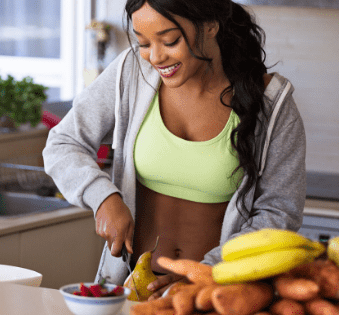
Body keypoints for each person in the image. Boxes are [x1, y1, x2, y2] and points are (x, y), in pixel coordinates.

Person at [42, 0, 306, 300]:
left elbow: (279, 212)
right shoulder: (132, 71)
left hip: (217, 292)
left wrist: (204, 273)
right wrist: (104, 197)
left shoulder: (272, 103)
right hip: (135, 289)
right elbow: (63, 143)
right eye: (143, 43)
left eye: (170, 41)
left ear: (210, 25)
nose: (155, 57)